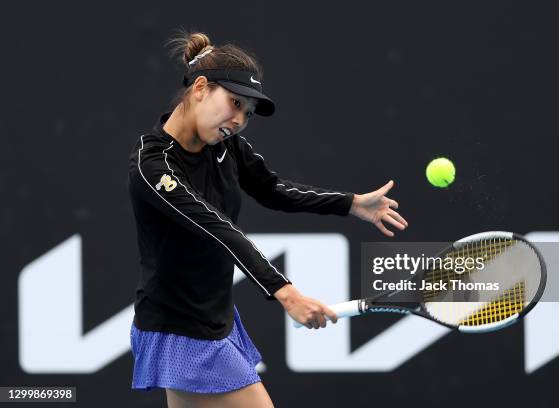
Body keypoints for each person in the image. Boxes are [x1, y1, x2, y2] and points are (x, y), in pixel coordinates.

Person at [127, 30, 408, 408]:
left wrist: (351, 203)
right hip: (180, 327)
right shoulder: (153, 164)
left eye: (247, 112)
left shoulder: (228, 147)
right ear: (200, 88)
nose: (240, 119)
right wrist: (288, 294)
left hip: (213, 317)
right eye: (234, 103)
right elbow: (218, 230)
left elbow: (274, 190)